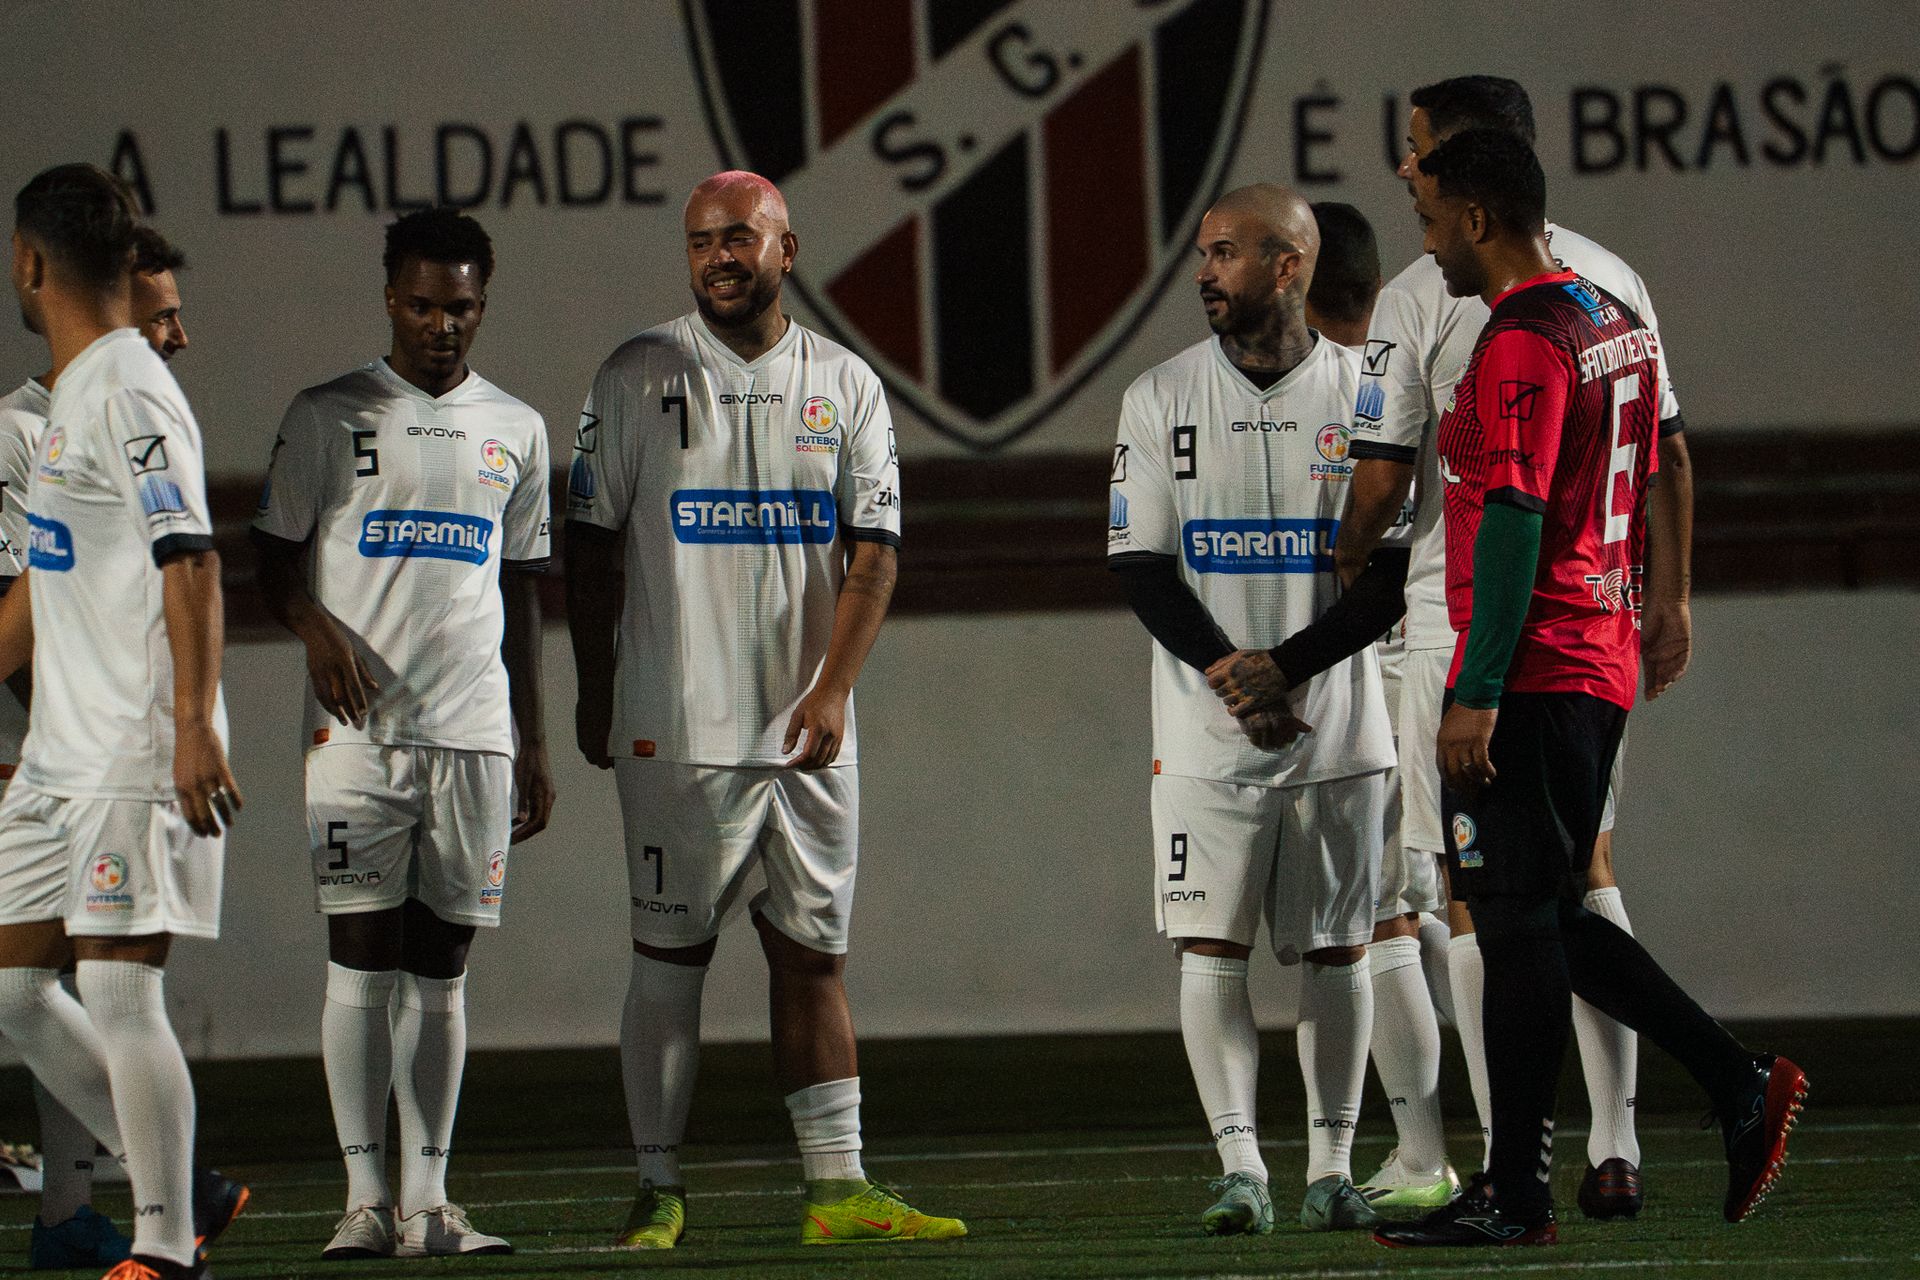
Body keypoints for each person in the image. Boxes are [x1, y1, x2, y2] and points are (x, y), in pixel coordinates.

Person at [1372, 129, 1803, 1247]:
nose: (1427, 249)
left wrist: (1476, 684)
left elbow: (1512, 516)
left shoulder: (1517, 341)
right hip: (1596, 650)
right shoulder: (1613, 317)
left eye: (1429, 223)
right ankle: (1720, 1087)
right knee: (1542, 914)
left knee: (1516, 922)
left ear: (1477, 217)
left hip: (1533, 663)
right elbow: (1659, 461)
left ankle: (1528, 1186)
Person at [565, 170, 963, 1251]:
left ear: (789, 247)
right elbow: (589, 545)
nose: (719, 258)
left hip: (808, 735)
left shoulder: (845, 382)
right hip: (675, 728)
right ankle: (658, 1185)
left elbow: (876, 550)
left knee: (812, 955)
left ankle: (838, 1188)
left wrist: (833, 687)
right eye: (700, 242)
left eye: (740, 237)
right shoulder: (636, 373)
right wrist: (597, 688)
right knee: (669, 957)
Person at [1327, 76, 1696, 1219]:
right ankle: (1617, 1141)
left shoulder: (1439, 295)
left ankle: (1511, 1158)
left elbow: (1390, 486)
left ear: (1473, 185)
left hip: (1475, 630)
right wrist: (1669, 601)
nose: (1407, 176)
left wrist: (1342, 558)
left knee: (1483, 896)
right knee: (1588, 875)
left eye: (1419, 155)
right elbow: (1670, 453)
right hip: (1600, 623)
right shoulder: (1612, 281)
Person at [253, 206, 554, 1260]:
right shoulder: (328, 414)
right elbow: (270, 565)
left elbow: (523, 596)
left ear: (483, 304)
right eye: (423, 304)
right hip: (358, 739)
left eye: (461, 307)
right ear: (390, 296)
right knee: (360, 957)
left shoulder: (516, 427)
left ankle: (431, 1201)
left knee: (445, 966)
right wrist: (314, 626)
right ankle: (362, 1196)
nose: (441, 325)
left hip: (473, 733)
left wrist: (536, 739)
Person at [1108, 182, 1395, 1237]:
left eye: (1228, 252)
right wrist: (1237, 672)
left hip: (1338, 728)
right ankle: (1241, 1167)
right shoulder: (1158, 395)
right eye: (1202, 252)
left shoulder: (1370, 395)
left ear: (1291, 266)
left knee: (1337, 949)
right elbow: (1142, 564)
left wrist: (1290, 667)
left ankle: (1331, 1165)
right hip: (1203, 733)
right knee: (1209, 945)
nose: (1205, 271)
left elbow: (1389, 572)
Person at [0, 163, 241, 1280]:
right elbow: (39, 590)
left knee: (117, 986)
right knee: (10, 987)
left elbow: (190, 557)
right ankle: (179, 1177)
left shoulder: (130, 387)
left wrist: (193, 725)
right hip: (59, 755)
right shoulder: (71, 395)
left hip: (132, 747)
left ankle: (165, 1243)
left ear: (32, 263)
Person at [1304, 201, 1462, 1211]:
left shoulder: (1329, 388)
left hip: (1371, 668)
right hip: (1423, 654)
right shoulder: (1421, 367)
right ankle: (1470, 1137)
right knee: (1431, 902)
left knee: (1390, 911)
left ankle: (1427, 1151)